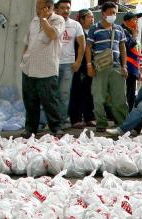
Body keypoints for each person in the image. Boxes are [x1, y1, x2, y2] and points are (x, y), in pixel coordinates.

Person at [20, 0, 65, 136]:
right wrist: (24, 58)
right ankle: (30, 128)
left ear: (49, 8)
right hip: (29, 67)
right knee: (30, 101)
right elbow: (27, 42)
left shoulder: (58, 20)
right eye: (36, 7)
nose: (37, 11)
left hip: (47, 69)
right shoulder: (34, 21)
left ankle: (56, 128)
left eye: (40, 8)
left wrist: (44, 19)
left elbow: (52, 35)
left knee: (50, 101)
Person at [86, 2, 129, 132]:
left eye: (115, 13)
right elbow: (88, 47)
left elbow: (123, 47)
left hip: (116, 67)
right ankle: (101, 123)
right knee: (99, 97)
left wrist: (124, 65)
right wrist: (89, 65)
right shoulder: (95, 28)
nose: (113, 15)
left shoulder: (119, 29)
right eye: (111, 12)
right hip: (100, 68)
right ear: (103, 13)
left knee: (120, 97)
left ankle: (122, 124)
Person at [55, 0, 85, 128]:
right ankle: (48, 122)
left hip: (68, 65)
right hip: (52, 64)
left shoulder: (75, 25)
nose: (66, 11)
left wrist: (78, 61)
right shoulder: (51, 23)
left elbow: (82, 44)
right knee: (50, 95)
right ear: (56, 9)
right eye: (62, 8)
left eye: (68, 8)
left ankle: (62, 122)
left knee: (64, 94)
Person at [69, 9, 96, 128]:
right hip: (79, 66)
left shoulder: (94, 32)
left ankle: (89, 117)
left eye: (93, 17)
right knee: (77, 92)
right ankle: (76, 118)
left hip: (90, 66)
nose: (92, 19)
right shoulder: (76, 32)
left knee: (90, 92)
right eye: (89, 17)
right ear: (81, 19)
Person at [121, 12, 142, 110]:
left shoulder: (131, 31)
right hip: (127, 67)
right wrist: (134, 36)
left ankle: (129, 112)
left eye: (136, 20)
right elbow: (127, 46)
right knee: (127, 93)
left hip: (133, 67)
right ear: (125, 22)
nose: (136, 22)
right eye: (134, 20)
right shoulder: (123, 31)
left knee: (131, 92)